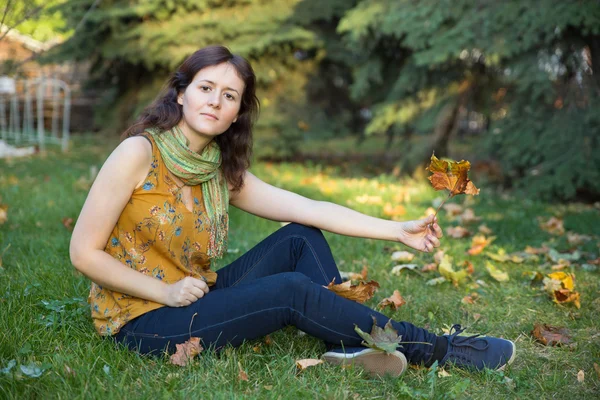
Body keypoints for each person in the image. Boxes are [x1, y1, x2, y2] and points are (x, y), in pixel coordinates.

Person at [69, 45, 515, 377]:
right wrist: (163, 293)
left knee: (301, 235)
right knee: (289, 290)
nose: (214, 102)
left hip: (195, 293)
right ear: (181, 94)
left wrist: (398, 230)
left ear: (236, 114)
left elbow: (310, 208)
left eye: (229, 96)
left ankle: (351, 343)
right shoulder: (137, 153)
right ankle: (437, 348)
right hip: (143, 319)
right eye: (205, 88)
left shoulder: (217, 170)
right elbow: (83, 253)